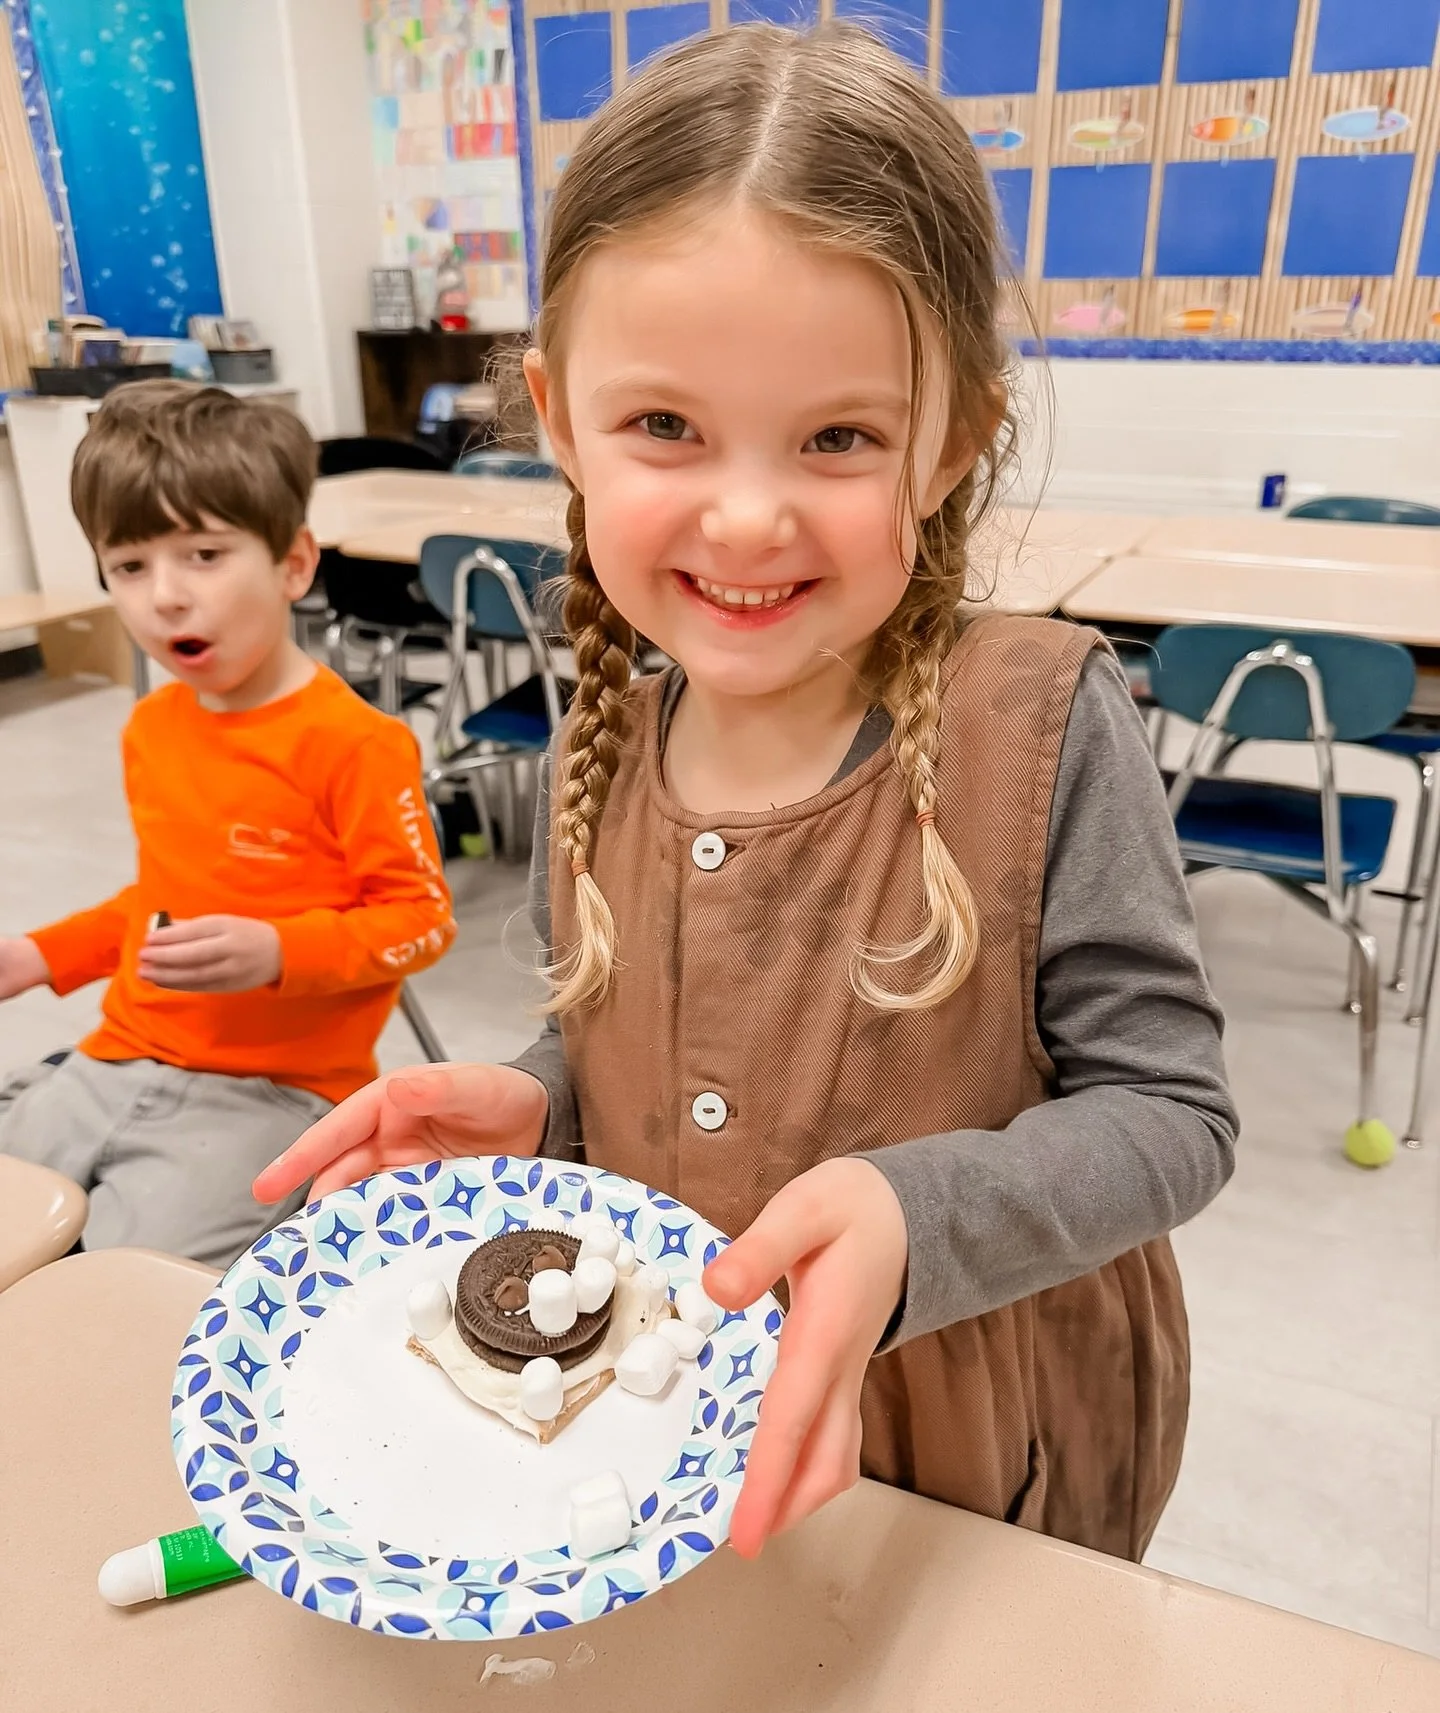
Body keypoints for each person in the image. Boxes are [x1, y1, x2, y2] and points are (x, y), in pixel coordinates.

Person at [256, 24, 1236, 1561]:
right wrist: (550, 1099)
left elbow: (1172, 1113)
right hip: (673, 1420)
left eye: (839, 435)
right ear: (561, 420)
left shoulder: (1037, 722)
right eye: (665, 426)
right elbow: (650, 1031)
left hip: (982, 1446)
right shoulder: (614, 734)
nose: (750, 512)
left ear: (951, 443)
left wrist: (924, 1218)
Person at [0, 382, 455, 1267]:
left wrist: (280, 952)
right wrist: (42, 955)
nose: (164, 598)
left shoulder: (357, 744)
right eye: (129, 566)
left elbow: (422, 923)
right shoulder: (152, 728)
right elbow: (163, 901)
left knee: (127, 1304)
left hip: (273, 1094)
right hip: (114, 1058)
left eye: (204, 554)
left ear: (293, 563)